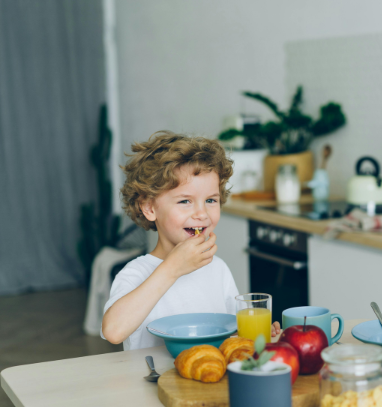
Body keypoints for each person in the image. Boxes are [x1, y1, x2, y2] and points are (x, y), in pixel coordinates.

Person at [101, 131, 281, 350]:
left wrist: (259, 335)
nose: (201, 213)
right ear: (149, 207)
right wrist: (172, 269)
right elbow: (113, 331)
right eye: (185, 200)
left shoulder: (218, 269)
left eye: (210, 200)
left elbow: (236, 335)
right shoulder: (136, 273)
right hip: (154, 381)